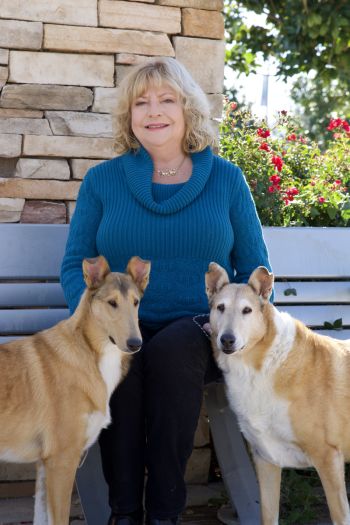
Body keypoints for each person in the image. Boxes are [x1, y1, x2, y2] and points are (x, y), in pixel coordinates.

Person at [60, 57, 272, 525]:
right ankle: (125, 513)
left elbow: (256, 270)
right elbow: (75, 264)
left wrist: (235, 321)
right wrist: (96, 323)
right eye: (141, 102)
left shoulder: (226, 180)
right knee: (123, 358)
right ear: (129, 115)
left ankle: (164, 514)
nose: (153, 111)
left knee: (172, 348)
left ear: (188, 109)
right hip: (122, 325)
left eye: (166, 99)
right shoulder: (103, 182)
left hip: (200, 329)